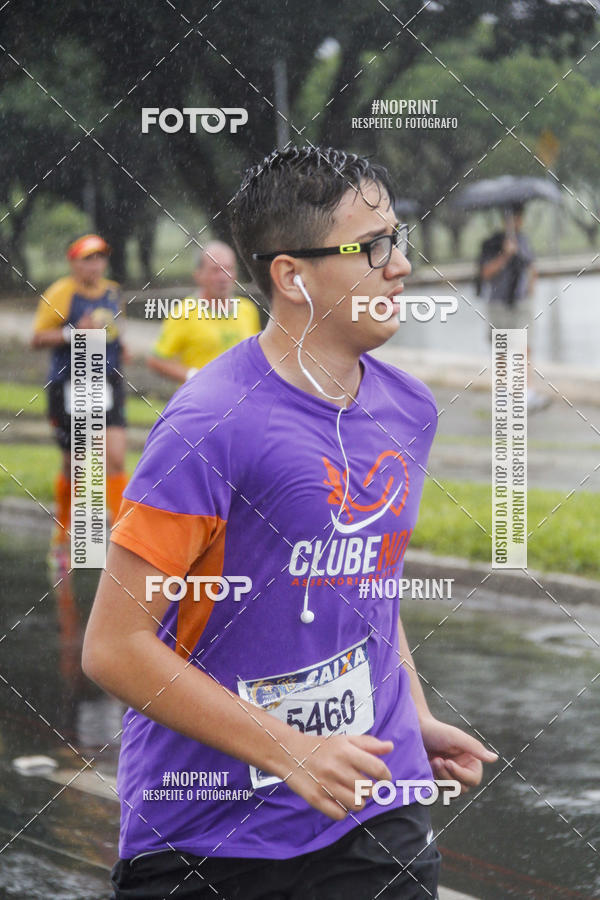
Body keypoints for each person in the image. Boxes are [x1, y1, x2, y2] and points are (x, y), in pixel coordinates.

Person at [83, 147, 498, 900]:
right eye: (372, 248)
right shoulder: (210, 424)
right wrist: (291, 751)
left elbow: (368, 585)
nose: (400, 265)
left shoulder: (408, 408)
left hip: (373, 803)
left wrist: (413, 714)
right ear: (291, 276)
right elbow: (114, 649)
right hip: (210, 833)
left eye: (398, 239)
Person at [31, 234, 129, 577]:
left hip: (107, 382)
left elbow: (117, 330)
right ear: (73, 262)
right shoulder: (62, 292)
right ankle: (62, 538)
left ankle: (122, 541)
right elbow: (37, 337)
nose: (95, 264)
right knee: (76, 464)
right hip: (71, 385)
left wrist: (121, 352)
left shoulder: (113, 291)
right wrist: (77, 331)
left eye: (100, 257)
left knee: (115, 457)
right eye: (87, 258)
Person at [147, 241, 260, 384]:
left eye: (229, 269)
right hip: (203, 403)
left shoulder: (247, 309)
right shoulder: (184, 312)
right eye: (215, 270)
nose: (223, 277)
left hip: (242, 400)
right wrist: (195, 376)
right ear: (198, 275)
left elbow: (256, 357)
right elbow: (156, 361)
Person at [478, 204, 548, 411]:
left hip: (520, 303)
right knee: (501, 349)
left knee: (524, 347)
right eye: (512, 218)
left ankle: (527, 393)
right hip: (498, 303)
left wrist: (530, 290)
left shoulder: (524, 241)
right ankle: (502, 394)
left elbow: (532, 267)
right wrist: (506, 255)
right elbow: (486, 273)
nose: (516, 222)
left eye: (518, 218)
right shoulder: (492, 243)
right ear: (505, 220)